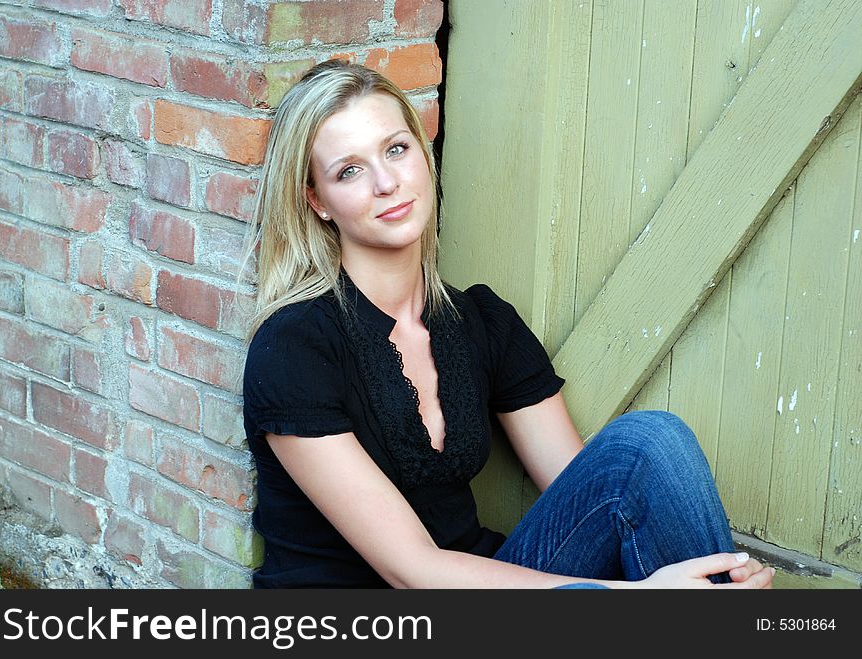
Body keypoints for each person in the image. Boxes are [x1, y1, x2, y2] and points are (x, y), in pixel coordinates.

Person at [239, 60, 774, 589]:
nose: (386, 182)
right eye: (349, 171)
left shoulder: (480, 322)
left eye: (396, 149)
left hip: (484, 590)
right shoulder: (293, 347)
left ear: (423, 156)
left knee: (650, 444)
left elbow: (597, 496)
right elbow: (412, 570)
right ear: (318, 201)